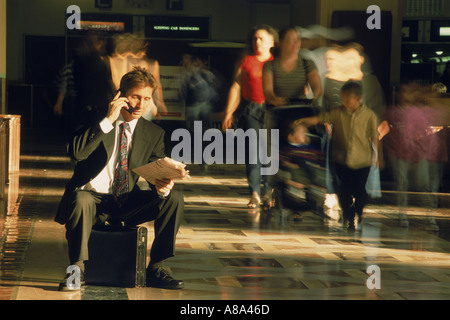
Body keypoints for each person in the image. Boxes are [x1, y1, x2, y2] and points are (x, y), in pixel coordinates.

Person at [55, 66, 184, 291]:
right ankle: (76, 270)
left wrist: (162, 185)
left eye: (146, 98)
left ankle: (156, 268)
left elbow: (155, 171)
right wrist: (108, 120)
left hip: (124, 201)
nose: (140, 105)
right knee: (81, 199)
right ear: (120, 95)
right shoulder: (95, 119)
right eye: (135, 96)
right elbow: (76, 153)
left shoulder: (153, 133)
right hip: (90, 199)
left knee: (174, 199)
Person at [300, 81, 378, 230]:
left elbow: (374, 135)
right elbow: (321, 118)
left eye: (348, 98)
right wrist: (304, 122)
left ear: (358, 98)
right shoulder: (337, 112)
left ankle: (358, 211)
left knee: (360, 190)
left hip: (362, 160)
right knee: (344, 190)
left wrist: (377, 155)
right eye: (343, 97)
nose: (344, 101)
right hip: (341, 159)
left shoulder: (369, 115)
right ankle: (349, 217)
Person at [222, 24, 278, 208]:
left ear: (272, 41)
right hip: (252, 110)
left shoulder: (276, 62)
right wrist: (228, 112)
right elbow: (236, 87)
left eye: (261, 38)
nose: (257, 42)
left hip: (272, 110)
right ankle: (254, 193)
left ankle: (269, 192)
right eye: (255, 38)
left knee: (270, 154)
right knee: (253, 153)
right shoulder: (247, 61)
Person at [107, 33, 168, 120]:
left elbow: (116, 84)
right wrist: (160, 105)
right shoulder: (148, 63)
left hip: (123, 103)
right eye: (143, 50)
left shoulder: (114, 61)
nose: (144, 53)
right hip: (145, 106)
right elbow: (156, 87)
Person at [262, 26, 322, 107]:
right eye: (290, 40)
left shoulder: (307, 63)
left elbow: (316, 86)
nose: (295, 43)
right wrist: (274, 100)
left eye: (297, 39)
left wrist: (314, 98)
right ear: (280, 43)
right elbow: (268, 91)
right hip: (277, 110)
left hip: (300, 109)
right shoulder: (270, 66)